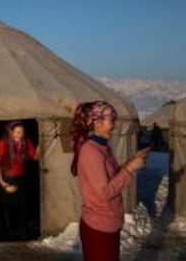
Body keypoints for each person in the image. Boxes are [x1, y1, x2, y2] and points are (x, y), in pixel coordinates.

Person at [71, 101, 151, 261]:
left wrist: (131, 161)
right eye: (112, 120)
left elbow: (111, 177)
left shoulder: (102, 147)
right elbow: (104, 192)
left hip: (108, 224)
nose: (114, 126)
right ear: (97, 122)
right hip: (98, 227)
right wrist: (130, 170)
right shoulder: (91, 152)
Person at [0, 120, 39, 240]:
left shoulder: (26, 142)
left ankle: (24, 234)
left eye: (22, 132)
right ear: (11, 132)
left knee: (23, 206)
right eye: (17, 132)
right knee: (8, 208)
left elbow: (34, 156)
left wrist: (38, 150)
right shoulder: (3, 144)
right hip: (7, 179)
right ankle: (9, 235)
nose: (20, 135)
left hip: (21, 178)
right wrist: (1, 181)